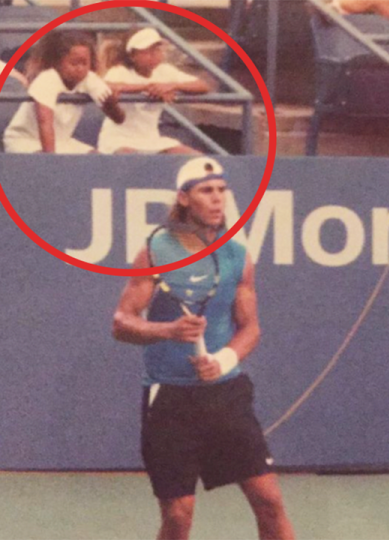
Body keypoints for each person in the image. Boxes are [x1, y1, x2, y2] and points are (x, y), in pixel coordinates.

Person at [112, 157, 295, 540]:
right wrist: (167, 330)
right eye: (205, 191)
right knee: (179, 516)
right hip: (169, 400)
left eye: (221, 190)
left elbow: (251, 329)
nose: (217, 199)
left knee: (268, 500)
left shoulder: (237, 255)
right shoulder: (155, 250)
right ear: (183, 198)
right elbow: (122, 322)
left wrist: (223, 358)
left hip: (226, 394)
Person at [3, 30, 124, 153]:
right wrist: (53, 161)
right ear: (58, 62)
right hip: (25, 140)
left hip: (63, 141)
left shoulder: (90, 79)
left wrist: (112, 105)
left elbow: (119, 119)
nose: (80, 68)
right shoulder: (47, 79)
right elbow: (45, 123)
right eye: (74, 63)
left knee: (97, 158)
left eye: (84, 63)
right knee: (43, 160)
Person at [97, 28, 210, 154]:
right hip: (118, 141)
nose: (154, 54)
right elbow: (106, 86)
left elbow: (203, 85)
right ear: (133, 56)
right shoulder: (119, 71)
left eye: (157, 49)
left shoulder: (165, 70)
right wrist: (147, 87)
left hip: (152, 140)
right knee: (130, 159)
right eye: (147, 51)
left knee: (197, 158)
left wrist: (172, 86)